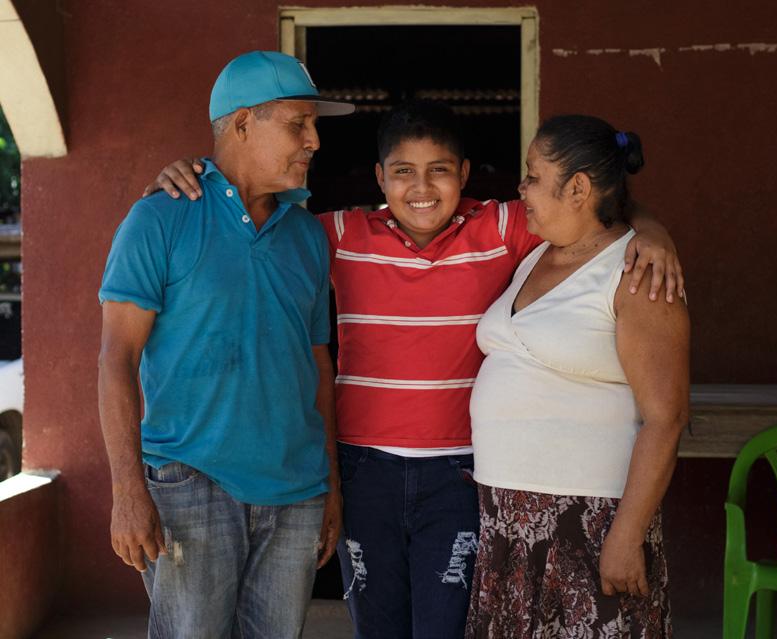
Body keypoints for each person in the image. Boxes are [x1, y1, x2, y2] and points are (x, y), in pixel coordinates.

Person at [144, 101, 684, 639]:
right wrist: (194, 184)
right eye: (402, 171)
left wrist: (651, 231)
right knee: (376, 625)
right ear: (379, 177)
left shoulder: (503, 226)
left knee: (445, 626)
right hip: (365, 469)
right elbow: (255, 222)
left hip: (459, 473)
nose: (421, 187)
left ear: (464, 174)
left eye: (439, 170)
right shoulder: (339, 235)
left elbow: (595, 210)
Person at [97, 51, 354, 638]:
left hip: (296, 493)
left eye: (314, 125)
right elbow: (117, 359)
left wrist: (331, 485)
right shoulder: (160, 219)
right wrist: (128, 490)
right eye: (298, 123)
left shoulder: (307, 235)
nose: (314, 141)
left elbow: (318, 364)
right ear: (242, 123)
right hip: (190, 485)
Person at [466, 115, 689, 638]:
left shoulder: (637, 273)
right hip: (508, 520)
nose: (521, 189)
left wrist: (627, 535)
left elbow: (667, 417)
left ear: (578, 188)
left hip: (588, 523)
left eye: (533, 176)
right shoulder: (537, 256)